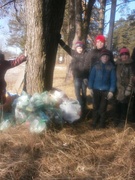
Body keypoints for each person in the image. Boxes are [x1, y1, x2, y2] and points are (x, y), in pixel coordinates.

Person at [59, 38, 88, 116]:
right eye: (78, 48)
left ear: (83, 48)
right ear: (76, 48)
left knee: (84, 94)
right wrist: (59, 40)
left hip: (85, 78)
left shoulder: (86, 55)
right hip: (77, 78)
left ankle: (84, 107)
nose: (80, 49)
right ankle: (81, 108)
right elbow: (66, 47)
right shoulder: (73, 53)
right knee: (77, 94)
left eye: (81, 48)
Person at [88, 49, 116, 129]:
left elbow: (113, 80)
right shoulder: (96, 66)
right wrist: (90, 88)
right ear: (100, 57)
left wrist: (111, 91)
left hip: (105, 91)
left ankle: (102, 123)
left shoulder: (111, 67)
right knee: (95, 107)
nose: (105, 57)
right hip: (96, 89)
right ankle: (94, 122)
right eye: (103, 56)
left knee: (103, 108)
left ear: (109, 58)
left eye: (107, 56)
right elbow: (91, 78)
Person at [115, 47, 133, 127]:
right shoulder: (117, 64)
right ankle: (116, 120)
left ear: (128, 56)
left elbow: (132, 78)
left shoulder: (131, 65)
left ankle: (122, 122)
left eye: (126, 54)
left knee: (124, 106)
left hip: (126, 89)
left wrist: (129, 88)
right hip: (118, 88)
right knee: (117, 105)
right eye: (122, 54)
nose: (124, 56)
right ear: (120, 56)